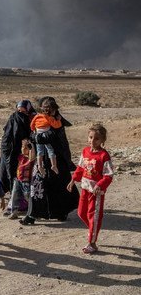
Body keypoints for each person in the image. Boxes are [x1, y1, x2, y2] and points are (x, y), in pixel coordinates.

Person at [20, 96, 78, 225]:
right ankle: (32, 214)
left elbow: (54, 138)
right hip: (43, 160)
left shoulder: (57, 121)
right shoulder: (43, 119)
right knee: (38, 186)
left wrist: (37, 138)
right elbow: (33, 133)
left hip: (55, 161)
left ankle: (61, 212)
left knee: (59, 187)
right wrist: (34, 139)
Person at [66, 123, 114, 254]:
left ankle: (92, 243)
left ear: (102, 140)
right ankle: (94, 230)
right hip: (85, 188)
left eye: (97, 138)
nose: (93, 141)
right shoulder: (85, 151)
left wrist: (99, 185)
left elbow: (108, 175)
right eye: (91, 137)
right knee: (81, 213)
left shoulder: (104, 156)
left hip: (96, 192)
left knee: (93, 215)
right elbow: (81, 168)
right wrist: (73, 180)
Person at [0, 100, 36, 215]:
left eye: (23, 111)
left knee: (25, 184)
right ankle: (13, 204)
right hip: (9, 151)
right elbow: (7, 133)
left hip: (24, 153)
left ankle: (29, 207)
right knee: (10, 175)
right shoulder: (13, 118)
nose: (20, 113)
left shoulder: (32, 118)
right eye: (19, 110)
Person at [30, 98, 62, 176]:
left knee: (40, 152)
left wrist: (34, 130)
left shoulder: (37, 116)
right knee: (50, 151)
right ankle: (54, 165)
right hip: (46, 137)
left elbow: (31, 125)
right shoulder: (49, 118)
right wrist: (58, 120)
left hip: (38, 137)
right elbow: (57, 126)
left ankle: (40, 166)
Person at [8, 139, 36, 220]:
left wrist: (31, 147)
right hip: (18, 180)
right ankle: (14, 212)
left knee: (27, 195)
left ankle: (33, 210)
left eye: (25, 148)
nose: (23, 149)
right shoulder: (20, 156)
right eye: (22, 147)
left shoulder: (30, 158)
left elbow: (32, 156)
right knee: (14, 195)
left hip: (26, 181)